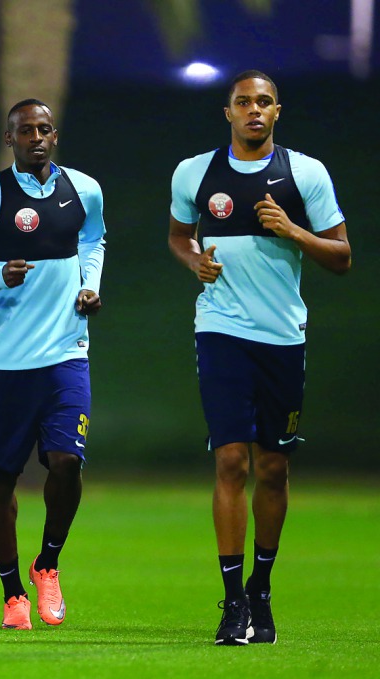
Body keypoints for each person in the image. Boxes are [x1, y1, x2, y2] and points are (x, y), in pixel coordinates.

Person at [167, 70, 350, 646]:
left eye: (263, 102)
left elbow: (342, 256)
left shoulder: (306, 173)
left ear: (277, 112)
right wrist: (194, 260)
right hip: (220, 331)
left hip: (282, 338)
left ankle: (261, 590)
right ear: (228, 112)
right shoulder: (194, 172)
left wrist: (293, 230)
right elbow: (177, 235)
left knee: (273, 467)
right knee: (230, 464)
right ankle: (232, 603)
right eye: (243, 102)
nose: (253, 110)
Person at [0, 99, 106, 631]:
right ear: (9, 139)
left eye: (43, 129)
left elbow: (93, 241)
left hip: (66, 353)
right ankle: (12, 590)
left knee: (66, 463)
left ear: (54, 136)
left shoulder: (84, 189)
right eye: (24, 131)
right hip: (6, 363)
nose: (35, 137)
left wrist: (89, 285)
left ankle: (48, 563)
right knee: (3, 481)